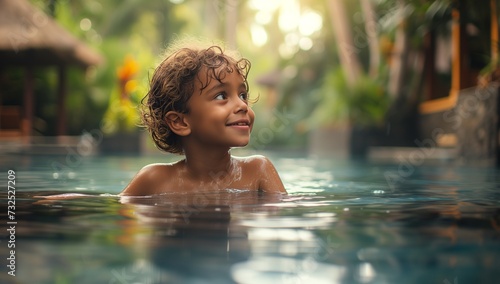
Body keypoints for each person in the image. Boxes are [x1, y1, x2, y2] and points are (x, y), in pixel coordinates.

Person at [120, 41, 286, 196]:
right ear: (180, 122)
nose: (243, 106)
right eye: (221, 96)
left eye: (242, 95)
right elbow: (121, 218)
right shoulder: (154, 180)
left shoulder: (257, 171)